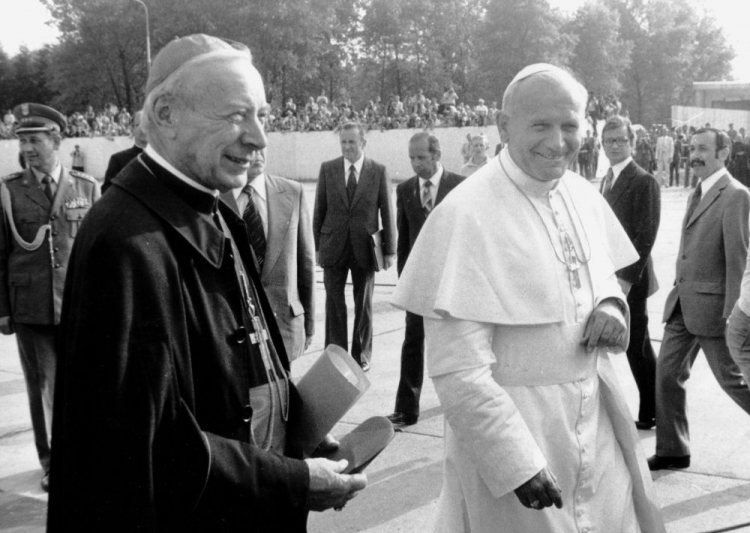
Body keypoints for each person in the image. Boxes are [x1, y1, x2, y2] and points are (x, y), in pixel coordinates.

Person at [47, 34, 366, 531]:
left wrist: (291, 436)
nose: (259, 138)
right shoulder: (127, 242)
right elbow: (151, 446)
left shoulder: (209, 205)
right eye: (237, 115)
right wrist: (292, 480)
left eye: (261, 116)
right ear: (167, 115)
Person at [392, 63, 664, 533]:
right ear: (503, 126)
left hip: (596, 427)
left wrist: (611, 306)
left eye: (570, 126)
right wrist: (516, 461)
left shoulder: (582, 194)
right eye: (540, 125)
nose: (558, 142)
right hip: (518, 436)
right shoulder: (465, 213)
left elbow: (601, 278)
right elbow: (458, 371)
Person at [0, 103, 100, 492]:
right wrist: (3, 312)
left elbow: (99, 252)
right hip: (32, 306)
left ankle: (87, 454)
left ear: (57, 140)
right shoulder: (8, 191)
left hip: (79, 305)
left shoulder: (87, 187)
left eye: (35, 140)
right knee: (43, 386)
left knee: (85, 384)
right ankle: (53, 462)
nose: (28, 148)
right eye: (23, 141)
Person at [649, 127, 750, 471]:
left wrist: (734, 313)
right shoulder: (698, 190)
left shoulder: (735, 195)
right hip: (683, 304)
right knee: (666, 374)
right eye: (692, 148)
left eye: (703, 149)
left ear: (724, 153)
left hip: (716, 311)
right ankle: (673, 451)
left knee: (734, 382)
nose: (694, 155)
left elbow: (738, 259)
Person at [387, 133, 464, 430]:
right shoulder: (406, 189)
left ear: (437, 154)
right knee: (413, 342)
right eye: (411, 158)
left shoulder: (458, 185)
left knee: (455, 345)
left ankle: (461, 406)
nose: (415, 163)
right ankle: (406, 408)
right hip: (419, 283)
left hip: (451, 281)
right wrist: (405, 283)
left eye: (421, 157)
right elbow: (404, 240)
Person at [312, 122, 396, 372]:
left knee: (364, 304)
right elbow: (319, 210)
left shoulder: (378, 171)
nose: (347, 147)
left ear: (363, 143)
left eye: (352, 142)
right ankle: (335, 353)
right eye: (344, 142)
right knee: (334, 303)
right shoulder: (328, 169)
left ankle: (362, 354)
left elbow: (387, 212)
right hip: (333, 246)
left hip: (365, 248)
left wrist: (390, 250)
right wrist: (317, 248)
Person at [600, 115, 661, 431]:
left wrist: (625, 279)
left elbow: (646, 236)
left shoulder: (643, 181)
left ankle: (652, 409)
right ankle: (653, 408)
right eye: (609, 141)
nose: (614, 146)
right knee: (637, 344)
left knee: (636, 344)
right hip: (611, 275)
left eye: (621, 140)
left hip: (631, 279)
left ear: (632, 143)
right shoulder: (607, 178)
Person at [225, 148, 315, 362]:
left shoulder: (293, 192)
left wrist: (309, 323)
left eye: (260, 146)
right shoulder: (218, 199)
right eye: (248, 147)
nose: (257, 153)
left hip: (285, 325)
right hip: (236, 334)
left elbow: (306, 264)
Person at [102, 110, 147, 193]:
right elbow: (106, 192)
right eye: (140, 124)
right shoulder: (118, 160)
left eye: (148, 124)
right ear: (132, 128)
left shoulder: (166, 160)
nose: (144, 129)